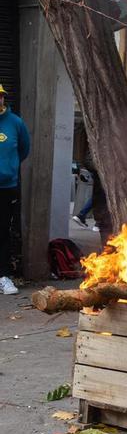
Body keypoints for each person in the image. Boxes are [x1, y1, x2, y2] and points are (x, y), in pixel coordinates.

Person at [0, 84, 30, 295]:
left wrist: (8, 168)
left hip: (6, 187)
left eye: (0, 96)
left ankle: (3, 276)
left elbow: (24, 150)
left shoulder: (16, 123)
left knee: (2, 232)